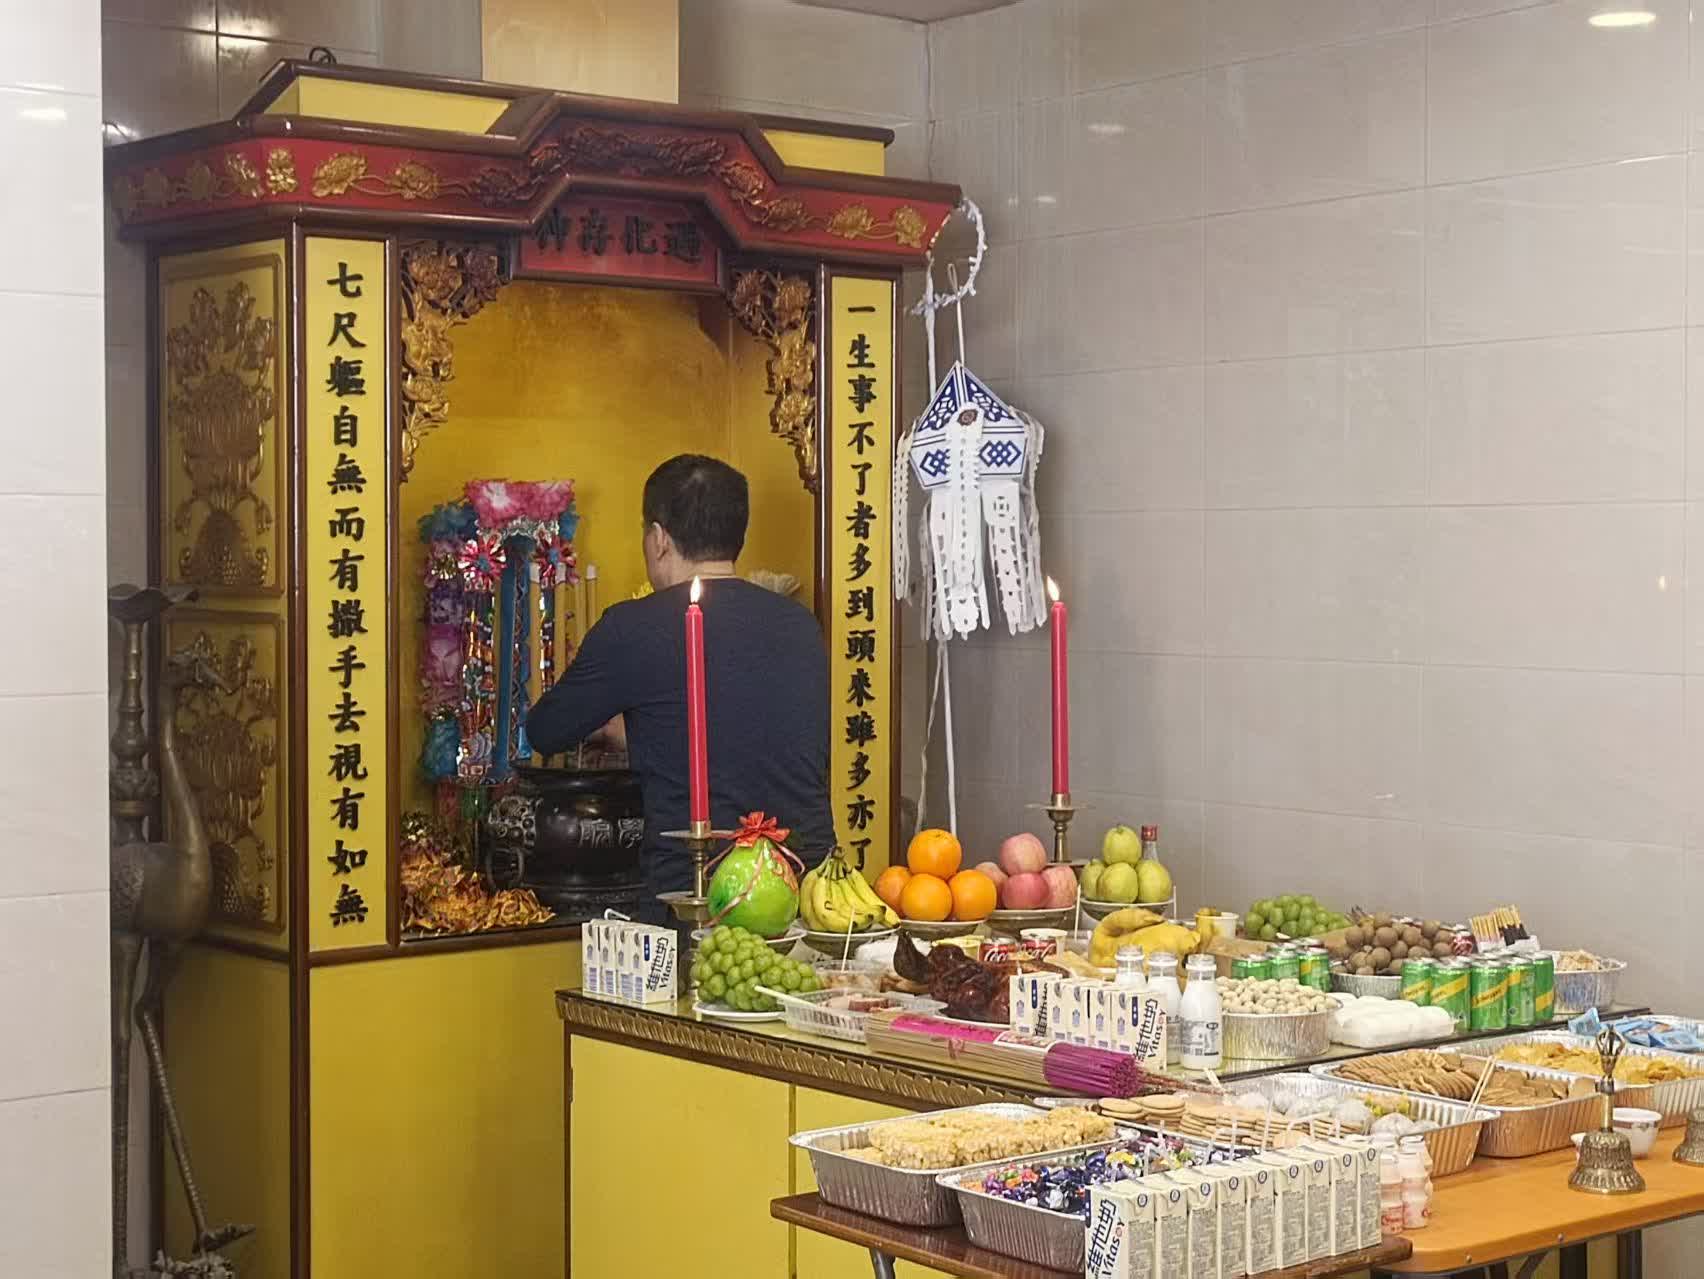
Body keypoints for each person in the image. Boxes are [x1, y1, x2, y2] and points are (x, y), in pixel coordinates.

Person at [526, 454, 836, 920]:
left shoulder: (633, 627)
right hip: (810, 893)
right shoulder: (799, 624)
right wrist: (641, 732)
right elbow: (745, 729)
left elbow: (546, 730)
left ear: (659, 539)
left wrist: (613, 725)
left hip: (696, 896)